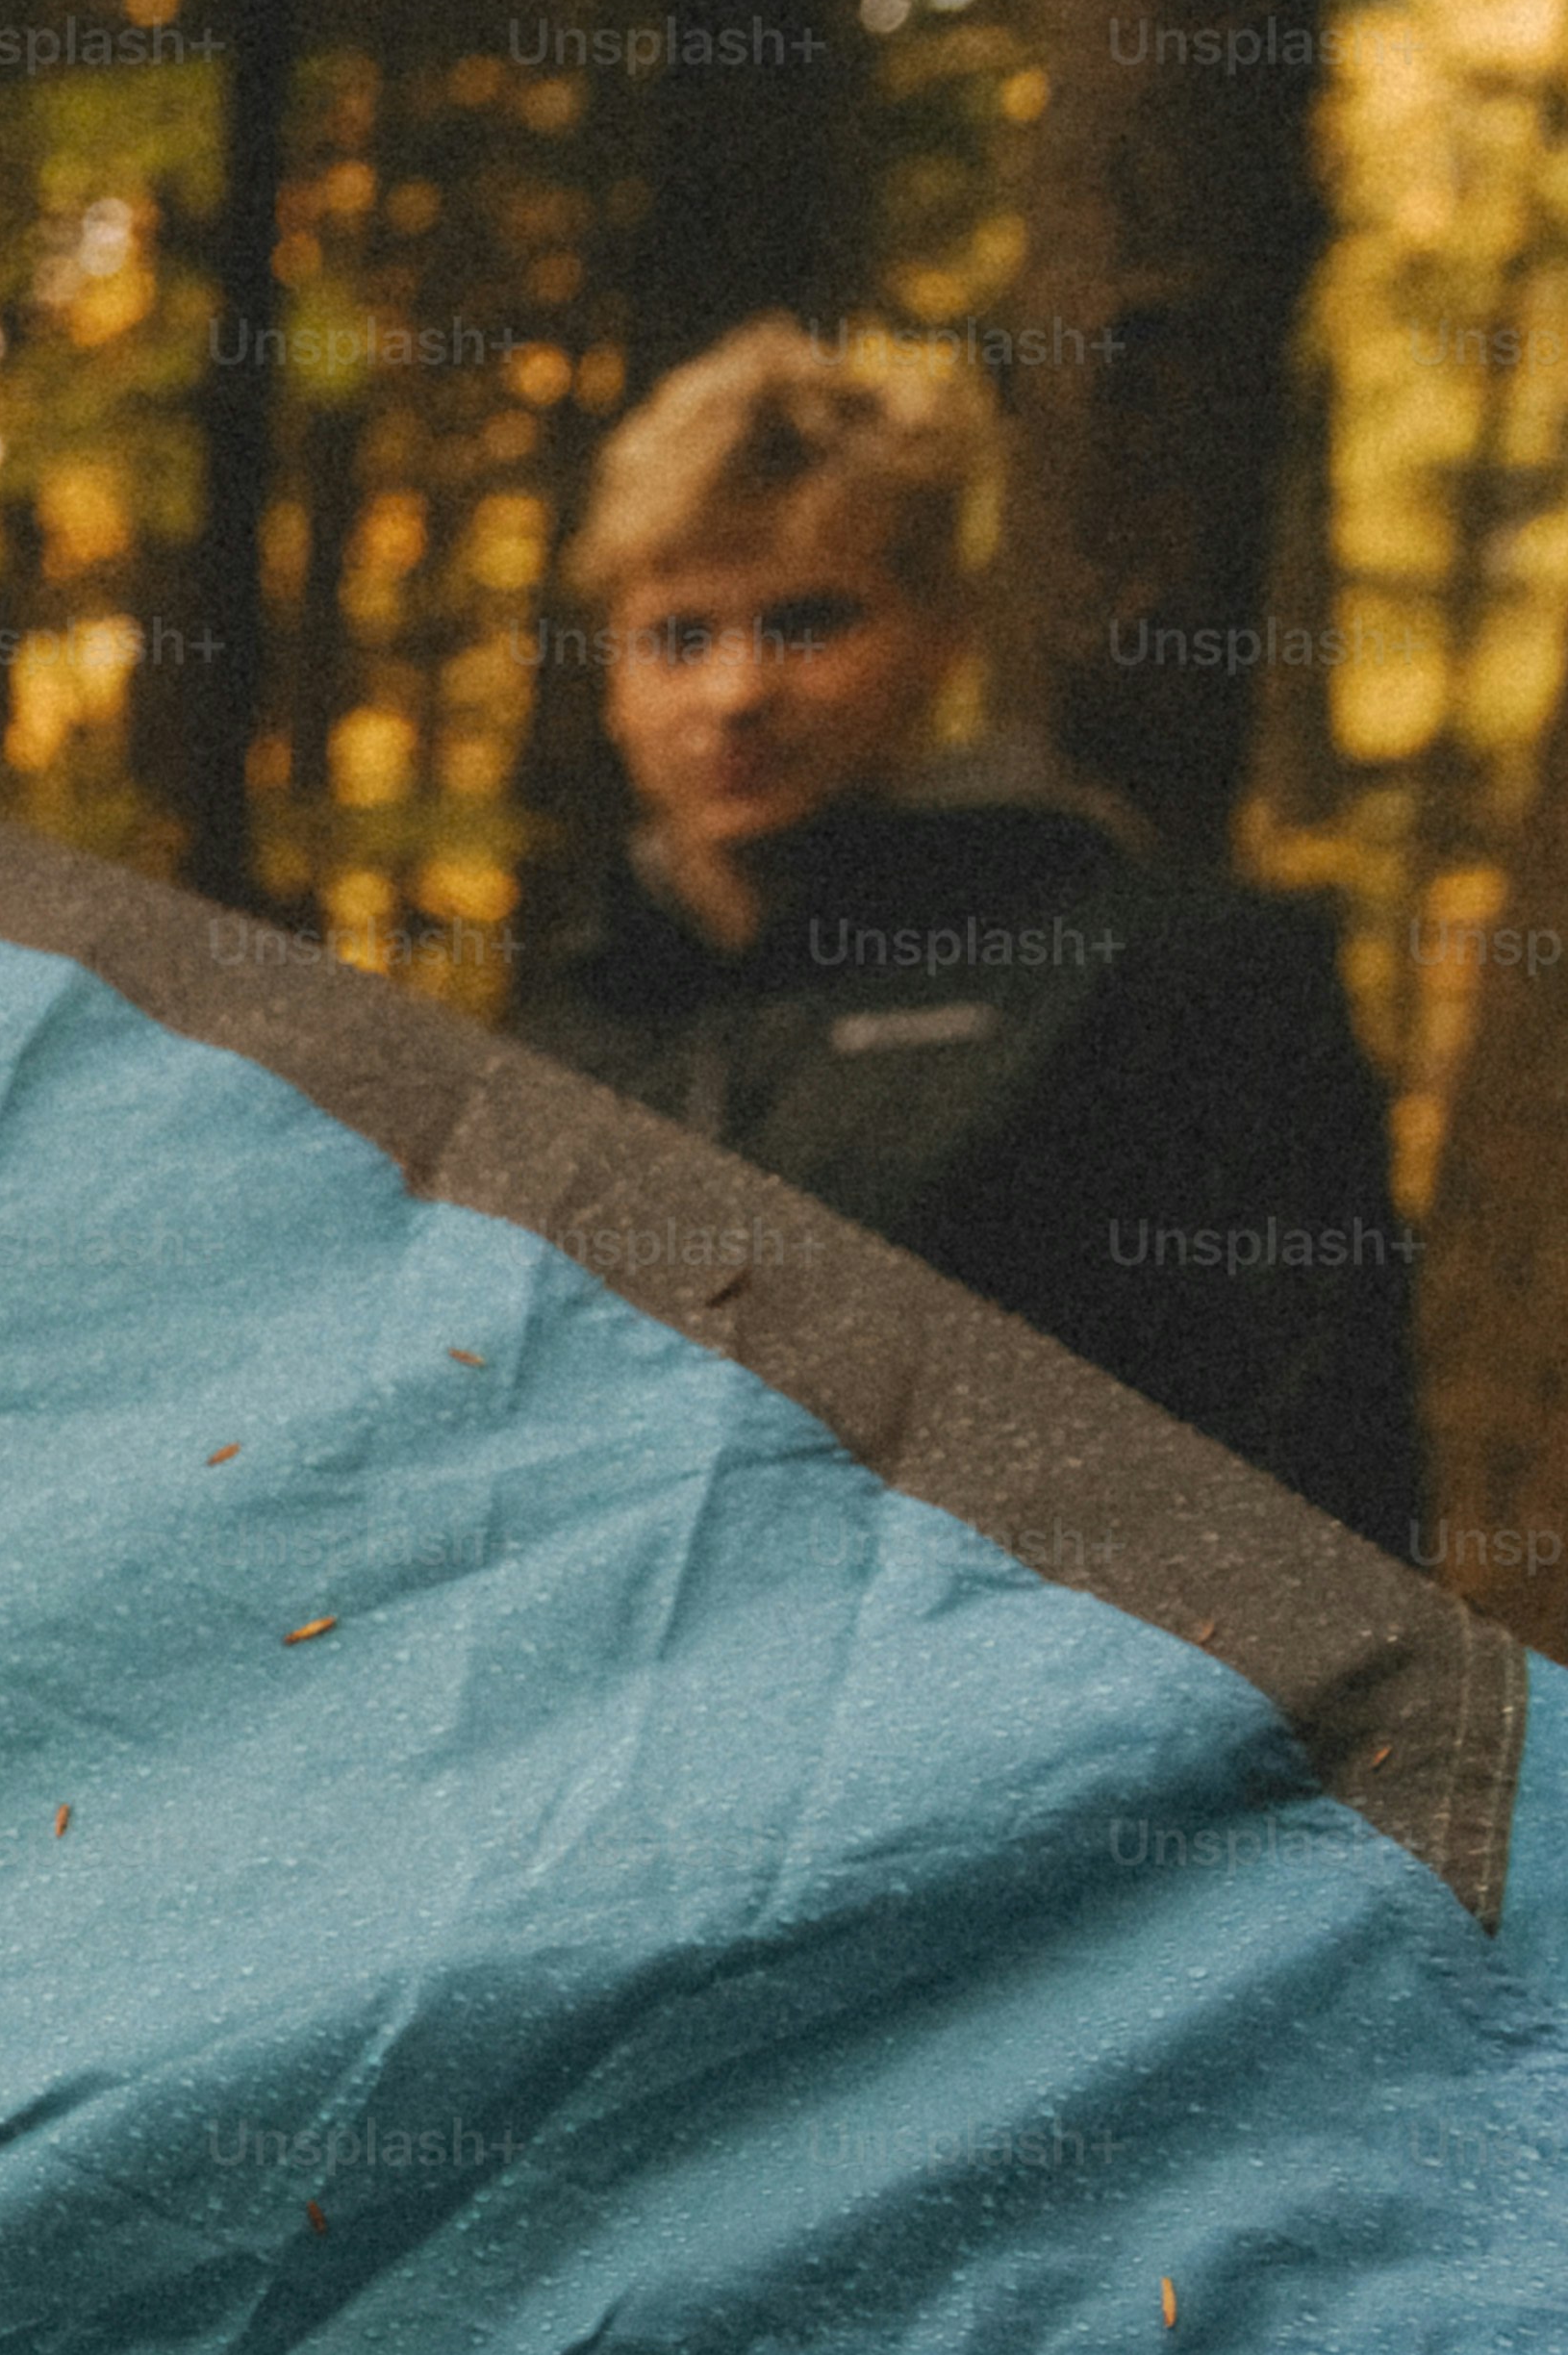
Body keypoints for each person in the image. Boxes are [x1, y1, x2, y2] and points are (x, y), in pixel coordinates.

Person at [507, 321, 1427, 1557]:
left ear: (942, 631)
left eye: (806, 622)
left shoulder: (1170, 978)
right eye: (679, 635)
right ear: (613, 673)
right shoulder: (566, 1040)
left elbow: (1326, 1476)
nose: (735, 693)